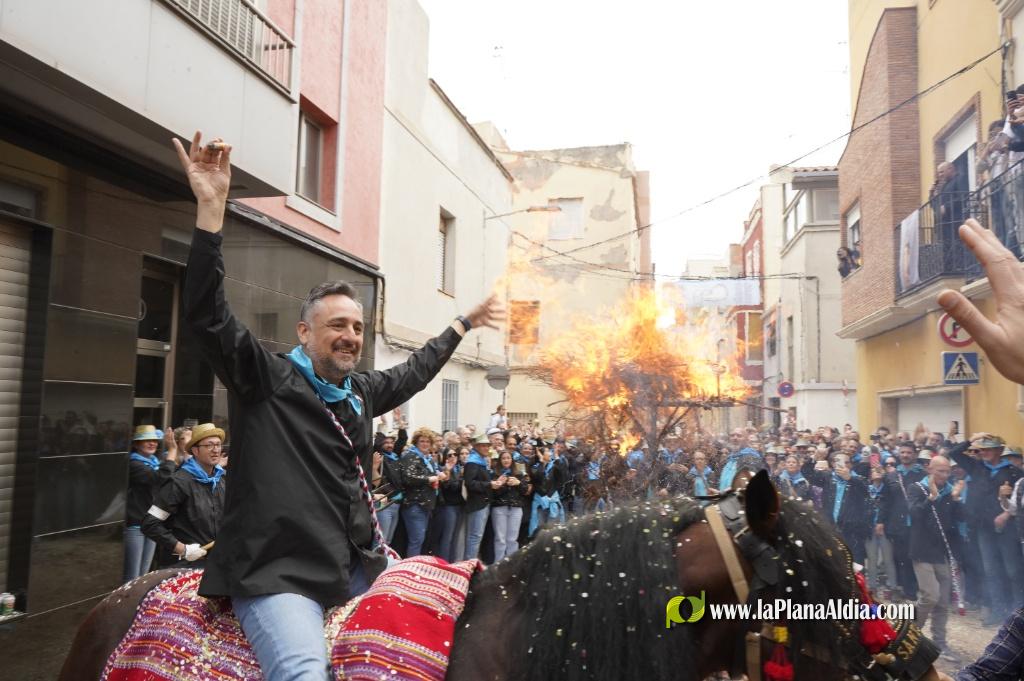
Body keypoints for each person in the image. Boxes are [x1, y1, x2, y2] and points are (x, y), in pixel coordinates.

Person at [171, 131, 503, 680]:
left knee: (439, 641)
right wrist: (211, 212)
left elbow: (415, 371)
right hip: (278, 574)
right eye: (336, 326)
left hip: (354, 565)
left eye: (357, 326)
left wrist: (462, 324)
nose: (350, 336)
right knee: (305, 674)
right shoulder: (266, 379)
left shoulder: (362, 393)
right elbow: (207, 317)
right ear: (304, 332)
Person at [948, 434, 1024, 625]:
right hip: (983, 528)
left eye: (988, 449)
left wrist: (1006, 515)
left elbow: (1019, 501)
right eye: (982, 449)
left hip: (1006, 528)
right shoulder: (976, 467)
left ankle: (1018, 611)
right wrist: (973, 438)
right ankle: (998, 610)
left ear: (999, 451)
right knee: (990, 570)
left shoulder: (1014, 472)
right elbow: (954, 452)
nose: (983, 452)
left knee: (1013, 570)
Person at [142, 423, 227, 568]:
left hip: (215, 566)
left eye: (218, 445)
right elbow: (150, 524)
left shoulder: (222, 480)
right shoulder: (178, 482)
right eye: (209, 445)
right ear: (195, 450)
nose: (215, 450)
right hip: (183, 567)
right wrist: (183, 549)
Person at [906, 456, 964, 662]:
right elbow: (913, 513)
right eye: (940, 471)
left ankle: (940, 643)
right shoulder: (916, 488)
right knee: (930, 595)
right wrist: (931, 496)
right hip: (921, 550)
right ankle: (910, 637)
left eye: (947, 471)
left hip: (942, 552)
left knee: (942, 601)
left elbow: (960, 519)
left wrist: (957, 499)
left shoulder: (949, 491)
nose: (944, 475)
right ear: (929, 469)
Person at [124, 425, 178, 582]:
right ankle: (128, 606)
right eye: (146, 440)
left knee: (144, 574)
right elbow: (159, 478)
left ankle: (138, 606)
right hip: (136, 525)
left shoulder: (155, 462)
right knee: (132, 577)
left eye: (154, 440)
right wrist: (173, 451)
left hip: (152, 523)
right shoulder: (134, 464)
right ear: (136, 444)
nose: (152, 443)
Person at [399, 427, 445, 556]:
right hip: (414, 504)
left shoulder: (428, 459)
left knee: (420, 539)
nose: (425, 444)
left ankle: (415, 568)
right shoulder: (410, 456)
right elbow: (408, 477)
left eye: (427, 442)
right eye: (422, 441)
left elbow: (429, 473)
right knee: (416, 540)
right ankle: (411, 571)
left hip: (426, 504)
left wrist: (438, 474)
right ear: (416, 442)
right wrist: (429, 478)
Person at [490, 450, 529, 562]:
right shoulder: (494, 474)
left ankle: (512, 565)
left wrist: (518, 483)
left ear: (512, 460)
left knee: (512, 539)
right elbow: (493, 494)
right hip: (499, 508)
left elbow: (525, 490)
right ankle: (498, 564)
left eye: (508, 458)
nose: (506, 460)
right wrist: (501, 484)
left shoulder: (519, 473)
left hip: (516, 509)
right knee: (500, 539)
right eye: (503, 458)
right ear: (500, 460)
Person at [462, 434, 495, 560]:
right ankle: (470, 564)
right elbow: (470, 483)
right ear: (476, 447)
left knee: (476, 536)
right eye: (483, 446)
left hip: (483, 503)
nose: (486, 448)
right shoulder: (472, 462)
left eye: (487, 446)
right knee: (474, 536)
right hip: (477, 503)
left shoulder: (481, 461)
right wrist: (489, 484)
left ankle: (472, 562)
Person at [436, 448, 465, 563]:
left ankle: (452, 563)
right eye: (449, 455)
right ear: (445, 457)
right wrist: (449, 474)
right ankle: (444, 563)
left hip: (460, 505)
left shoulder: (460, 470)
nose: (453, 457)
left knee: (455, 537)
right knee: (447, 537)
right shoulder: (443, 470)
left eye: (455, 454)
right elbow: (450, 487)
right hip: (448, 506)